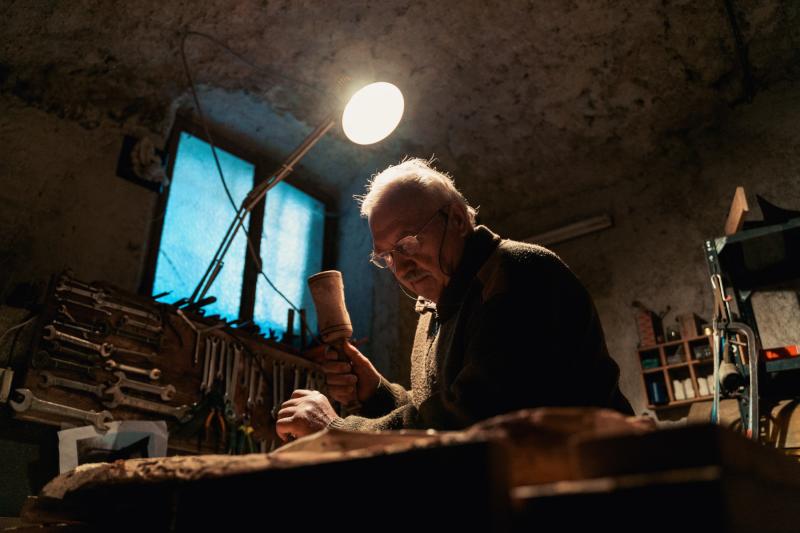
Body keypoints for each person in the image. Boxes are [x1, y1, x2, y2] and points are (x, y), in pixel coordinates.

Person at [275, 158, 633, 441]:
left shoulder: (518, 274)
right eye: (386, 256)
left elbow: (474, 422)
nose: (401, 266)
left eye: (408, 242)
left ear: (458, 220)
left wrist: (337, 430)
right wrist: (376, 393)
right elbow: (436, 414)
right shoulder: (437, 309)